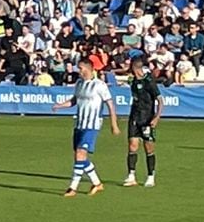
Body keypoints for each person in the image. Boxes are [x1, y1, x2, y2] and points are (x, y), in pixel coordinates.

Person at [57, 55, 118, 196]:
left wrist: (114, 124)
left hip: (92, 125)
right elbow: (74, 100)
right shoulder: (79, 83)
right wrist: (60, 106)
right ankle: (97, 183)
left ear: (88, 68)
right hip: (79, 124)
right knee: (79, 157)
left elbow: (110, 104)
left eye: (80, 68)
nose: (78, 70)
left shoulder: (99, 85)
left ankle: (73, 188)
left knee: (80, 153)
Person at [124, 54, 164, 187]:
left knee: (148, 148)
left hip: (147, 118)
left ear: (135, 68)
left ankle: (151, 176)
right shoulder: (133, 81)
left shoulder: (149, 81)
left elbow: (160, 100)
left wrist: (156, 117)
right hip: (134, 117)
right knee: (132, 146)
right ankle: (131, 176)